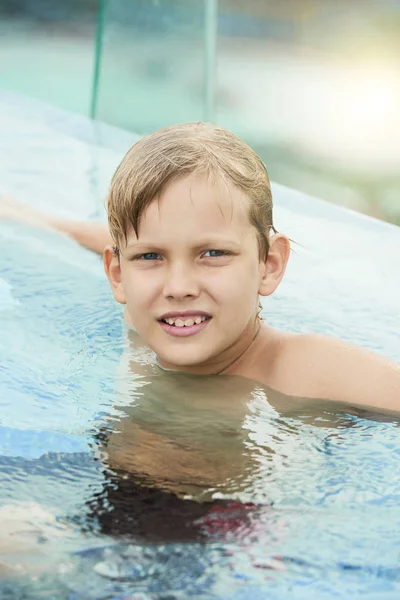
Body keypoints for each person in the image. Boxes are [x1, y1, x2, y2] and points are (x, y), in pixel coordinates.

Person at [3, 122, 398, 412]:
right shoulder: (143, 315)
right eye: (151, 257)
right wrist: (37, 221)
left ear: (270, 265)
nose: (178, 286)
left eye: (212, 254)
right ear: (118, 275)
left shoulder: (305, 367)